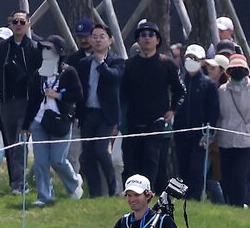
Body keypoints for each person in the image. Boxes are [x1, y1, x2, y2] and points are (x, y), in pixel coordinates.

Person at [120, 21, 185, 192]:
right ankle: (131, 194)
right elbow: (122, 95)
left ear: (157, 40)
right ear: (138, 40)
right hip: (133, 123)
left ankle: (148, 193)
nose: (147, 38)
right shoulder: (129, 65)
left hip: (157, 123)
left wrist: (173, 110)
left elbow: (180, 90)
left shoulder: (167, 64)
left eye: (151, 35)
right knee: (131, 162)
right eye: (143, 35)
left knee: (153, 159)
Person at [0, 9, 40, 196]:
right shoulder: (2, 48)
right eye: (15, 22)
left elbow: (39, 74)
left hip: (27, 103)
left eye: (21, 22)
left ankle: (21, 183)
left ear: (28, 24)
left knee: (21, 143)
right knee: (11, 144)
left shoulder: (34, 48)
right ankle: (16, 182)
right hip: (7, 102)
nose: (18, 25)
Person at [29, 36, 83, 207]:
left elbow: (78, 96)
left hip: (61, 120)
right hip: (39, 121)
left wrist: (59, 95)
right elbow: (32, 100)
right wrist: (26, 124)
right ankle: (45, 196)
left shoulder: (69, 72)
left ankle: (74, 183)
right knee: (40, 162)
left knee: (58, 159)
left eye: (49, 49)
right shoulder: (37, 74)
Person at [76, 24, 124, 198]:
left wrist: (101, 63)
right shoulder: (83, 63)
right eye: (94, 36)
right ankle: (95, 193)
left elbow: (114, 78)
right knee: (88, 154)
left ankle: (113, 187)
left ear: (110, 40)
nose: (97, 40)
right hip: (88, 113)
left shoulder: (117, 61)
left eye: (101, 36)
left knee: (101, 150)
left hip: (106, 115)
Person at [218, 55, 250, 207]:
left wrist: (248, 129)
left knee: (240, 176)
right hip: (225, 140)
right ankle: (229, 205)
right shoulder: (222, 90)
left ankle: (240, 205)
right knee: (226, 176)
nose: (237, 71)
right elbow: (217, 115)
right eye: (234, 69)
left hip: (245, 142)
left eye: (240, 69)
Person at [175, 45, 220, 201]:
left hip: (200, 135)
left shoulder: (208, 84)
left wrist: (209, 135)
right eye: (188, 58)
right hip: (180, 133)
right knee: (182, 167)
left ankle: (195, 199)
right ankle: (181, 198)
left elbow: (213, 111)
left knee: (196, 168)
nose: (190, 62)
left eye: (194, 59)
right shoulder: (179, 81)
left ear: (202, 62)